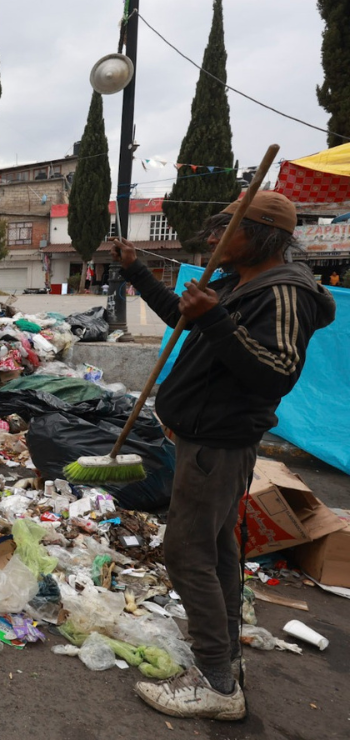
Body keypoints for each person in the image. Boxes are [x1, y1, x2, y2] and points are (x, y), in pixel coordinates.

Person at [112, 191, 335, 721]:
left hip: (220, 442)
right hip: (200, 437)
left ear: (259, 234)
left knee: (187, 555)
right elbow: (183, 318)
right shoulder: (238, 282)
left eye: (224, 229)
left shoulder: (283, 293)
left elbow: (276, 373)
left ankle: (215, 683)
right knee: (217, 552)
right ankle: (226, 661)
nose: (212, 240)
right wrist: (137, 270)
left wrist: (217, 320)